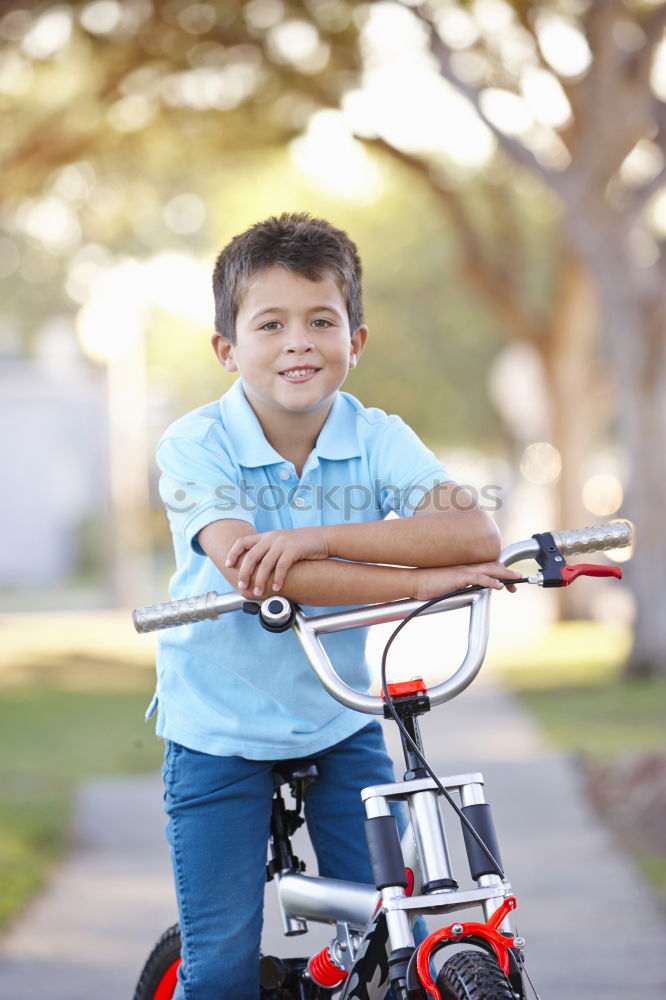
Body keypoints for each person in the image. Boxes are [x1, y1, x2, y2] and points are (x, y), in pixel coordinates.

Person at [152, 212, 519, 999]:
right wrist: (414, 584)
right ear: (227, 349)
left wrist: (317, 541)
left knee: (392, 931)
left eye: (322, 320)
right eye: (271, 323)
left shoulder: (377, 435)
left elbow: (472, 530)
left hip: (336, 713)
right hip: (218, 723)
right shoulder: (194, 444)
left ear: (356, 339)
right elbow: (255, 574)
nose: (299, 343)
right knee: (219, 968)